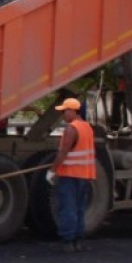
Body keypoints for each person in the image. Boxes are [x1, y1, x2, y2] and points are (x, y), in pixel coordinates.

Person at [46, 97, 96, 252]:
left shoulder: (71, 129)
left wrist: (52, 171)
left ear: (74, 111)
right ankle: (79, 241)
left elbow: (63, 153)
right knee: (79, 208)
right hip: (84, 175)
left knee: (68, 208)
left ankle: (67, 242)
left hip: (70, 175)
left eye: (64, 111)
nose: (63, 115)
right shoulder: (87, 127)